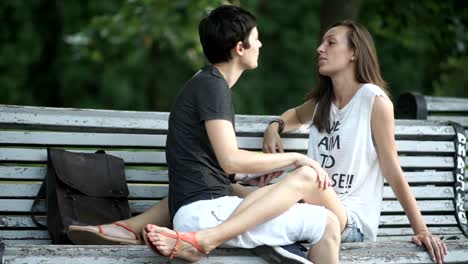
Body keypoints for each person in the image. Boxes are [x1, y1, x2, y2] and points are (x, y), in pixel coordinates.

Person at [68, 5, 341, 264]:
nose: (260, 45)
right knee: (325, 216)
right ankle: (204, 241)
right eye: (256, 39)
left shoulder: (205, 83)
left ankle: (135, 229)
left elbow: (216, 167)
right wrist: (295, 158)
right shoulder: (213, 88)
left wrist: (254, 174)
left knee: (282, 199)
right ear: (239, 48)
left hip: (205, 209)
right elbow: (230, 160)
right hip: (206, 215)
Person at [262, 20, 448, 264]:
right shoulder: (323, 102)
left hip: (352, 222)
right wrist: (275, 126)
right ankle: (283, 244)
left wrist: (421, 229)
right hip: (313, 210)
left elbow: (392, 169)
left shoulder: (374, 100)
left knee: (307, 178)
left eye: (330, 42)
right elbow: (296, 115)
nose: (320, 48)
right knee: (244, 192)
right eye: (321, 42)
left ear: (354, 53)